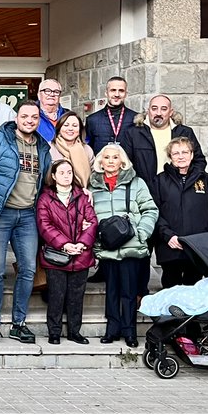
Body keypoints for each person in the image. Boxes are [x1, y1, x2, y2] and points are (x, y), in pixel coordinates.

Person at [0, 101, 51, 344]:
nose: (29, 121)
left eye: (34, 117)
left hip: (27, 216)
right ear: (16, 118)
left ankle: (19, 323)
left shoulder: (43, 146)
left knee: (28, 269)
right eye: (25, 116)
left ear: (39, 120)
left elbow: (46, 181)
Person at [121, 94, 206, 292]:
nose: (158, 113)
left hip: (176, 197)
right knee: (142, 249)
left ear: (171, 112)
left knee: (174, 252)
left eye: (163, 109)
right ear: (147, 111)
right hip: (144, 198)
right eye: (154, 108)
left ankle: (180, 299)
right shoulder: (133, 133)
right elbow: (125, 165)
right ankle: (140, 295)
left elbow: (199, 161)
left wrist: (186, 182)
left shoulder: (184, 132)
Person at [88, 144, 158, 348]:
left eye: (115, 157)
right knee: (111, 291)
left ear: (122, 161)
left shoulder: (136, 183)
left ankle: (129, 331)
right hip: (108, 247)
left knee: (129, 292)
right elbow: (88, 215)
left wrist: (142, 233)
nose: (110, 161)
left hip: (131, 246)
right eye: (106, 157)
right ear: (100, 162)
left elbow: (150, 210)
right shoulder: (93, 186)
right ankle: (112, 330)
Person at [152, 137, 208, 288]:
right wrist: (167, 235)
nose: (181, 156)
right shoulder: (159, 181)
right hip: (170, 247)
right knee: (170, 289)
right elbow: (153, 211)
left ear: (192, 155)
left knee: (194, 289)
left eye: (185, 152)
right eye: (176, 153)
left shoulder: (205, 180)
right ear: (170, 156)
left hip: (198, 248)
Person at [36, 159, 97, 345]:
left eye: (69, 172)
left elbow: (92, 221)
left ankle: (74, 332)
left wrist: (81, 243)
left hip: (81, 254)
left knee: (76, 296)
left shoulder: (82, 197)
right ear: (54, 176)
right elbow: (45, 225)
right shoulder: (45, 199)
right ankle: (54, 332)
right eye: (61, 173)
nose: (66, 176)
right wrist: (64, 244)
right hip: (56, 255)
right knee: (56, 295)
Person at [85, 75, 137, 153]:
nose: (117, 94)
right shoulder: (92, 120)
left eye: (121, 91)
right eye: (113, 90)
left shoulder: (135, 119)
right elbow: (88, 149)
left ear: (126, 94)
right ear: (106, 93)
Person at [48, 111, 93, 189]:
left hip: (83, 193)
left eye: (75, 126)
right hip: (55, 193)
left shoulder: (87, 149)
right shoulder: (49, 148)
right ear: (59, 128)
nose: (70, 129)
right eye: (66, 125)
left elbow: (94, 175)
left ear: (80, 130)